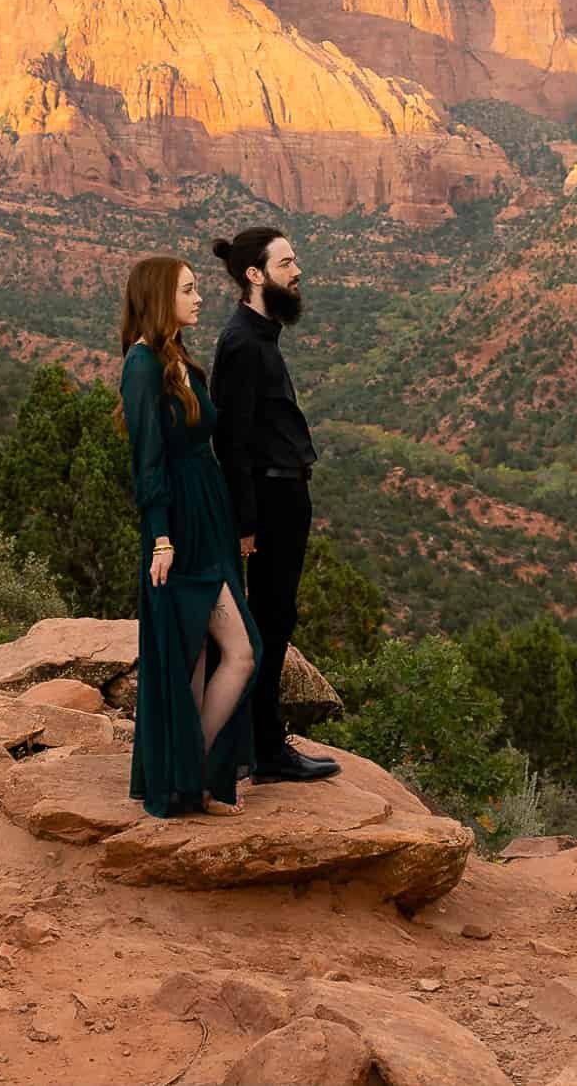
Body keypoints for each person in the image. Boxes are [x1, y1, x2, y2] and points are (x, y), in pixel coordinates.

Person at [121, 255, 261, 818]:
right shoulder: (141, 366)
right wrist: (160, 538)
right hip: (179, 527)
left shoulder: (177, 359)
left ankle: (194, 784)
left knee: (205, 655)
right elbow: (147, 461)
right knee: (241, 652)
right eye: (189, 289)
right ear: (160, 298)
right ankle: (190, 773)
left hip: (211, 520)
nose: (200, 297)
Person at [209, 228, 342, 784]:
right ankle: (264, 749)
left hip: (282, 491)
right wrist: (247, 522)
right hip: (270, 498)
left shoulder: (261, 335)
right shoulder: (242, 342)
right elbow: (230, 440)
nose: (299, 271)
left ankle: (256, 742)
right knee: (269, 620)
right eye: (287, 263)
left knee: (275, 617)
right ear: (254, 275)